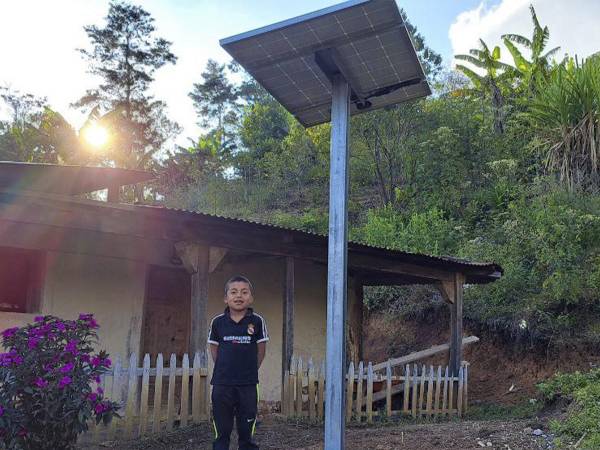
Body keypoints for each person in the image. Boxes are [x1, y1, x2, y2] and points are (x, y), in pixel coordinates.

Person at [208, 275, 269, 450]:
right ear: (226, 298)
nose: (239, 296)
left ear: (251, 298)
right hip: (222, 384)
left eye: (244, 292)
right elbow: (215, 352)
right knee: (222, 430)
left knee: (246, 430)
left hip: (248, 384)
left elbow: (261, 351)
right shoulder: (217, 322)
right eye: (233, 292)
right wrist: (226, 369)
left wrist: (248, 370)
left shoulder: (257, 321)